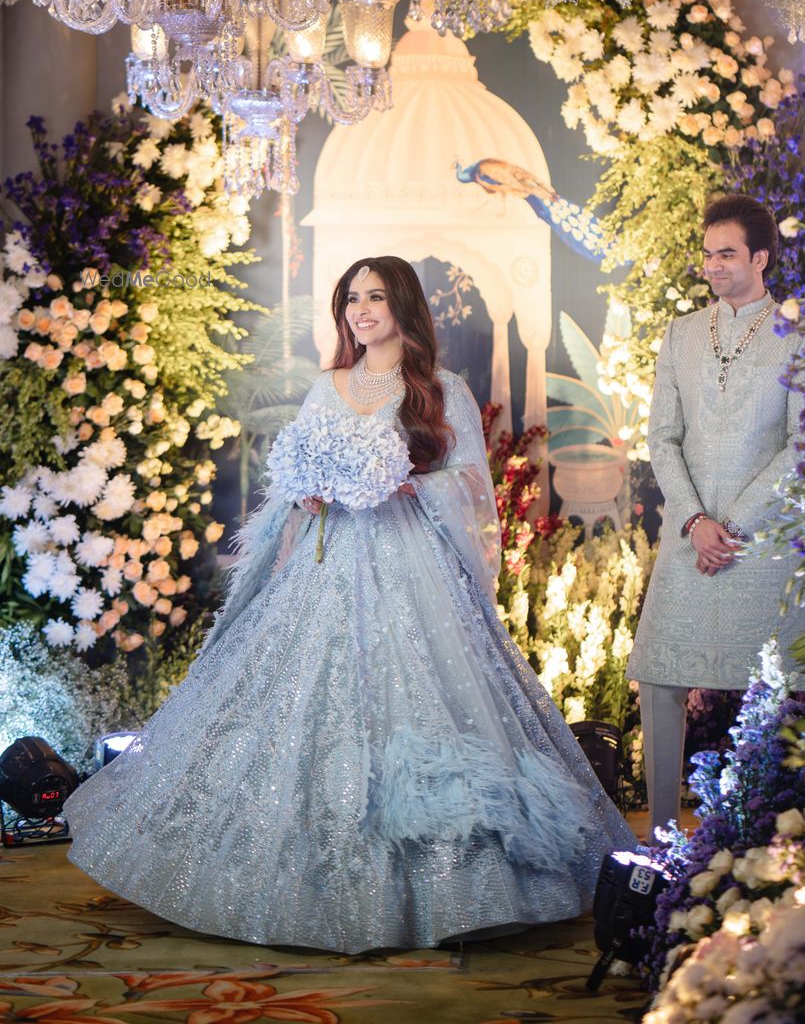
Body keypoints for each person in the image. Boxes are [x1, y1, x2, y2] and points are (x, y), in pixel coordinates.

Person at [64, 256, 633, 952]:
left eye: (376, 297)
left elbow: (471, 488)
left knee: (423, 708)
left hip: (412, 570)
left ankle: (455, 890)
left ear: (404, 308)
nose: (362, 310)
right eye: (352, 299)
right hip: (325, 567)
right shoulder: (327, 386)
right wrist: (306, 493)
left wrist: (406, 486)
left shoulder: (439, 389)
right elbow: (294, 477)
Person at [628, 194, 805, 835]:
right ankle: (658, 834)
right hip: (691, 534)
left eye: (726, 253)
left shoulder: (798, 332)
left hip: (759, 544)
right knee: (658, 676)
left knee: (781, 688)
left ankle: (777, 834)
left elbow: (802, 444)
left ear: (761, 257)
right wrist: (694, 522)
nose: (712, 266)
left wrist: (730, 525)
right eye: (707, 254)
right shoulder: (681, 334)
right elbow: (662, 438)